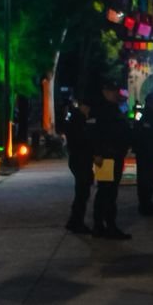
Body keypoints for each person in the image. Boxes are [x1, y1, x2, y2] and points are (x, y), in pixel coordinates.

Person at [89, 77, 133, 240]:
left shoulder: (114, 107)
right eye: (112, 91)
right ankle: (106, 226)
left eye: (116, 91)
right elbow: (94, 133)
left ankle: (102, 225)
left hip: (115, 155)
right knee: (106, 191)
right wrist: (97, 153)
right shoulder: (100, 109)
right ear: (105, 91)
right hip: (106, 156)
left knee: (109, 191)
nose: (115, 94)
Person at [60, 97, 93, 234]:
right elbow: (81, 140)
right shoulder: (79, 120)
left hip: (78, 158)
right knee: (82, 192)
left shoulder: (75, 118)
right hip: (80, 159)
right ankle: (76, 222)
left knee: (82, 192)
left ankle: (74, 221)